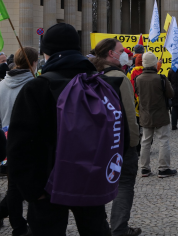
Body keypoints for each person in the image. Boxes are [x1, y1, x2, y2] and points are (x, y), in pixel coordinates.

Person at [8, 23, 121, 235]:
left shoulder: (38, 87)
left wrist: (32, 191)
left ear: (46, 53)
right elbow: (117, 133)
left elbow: (18, 145)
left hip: (48, 185)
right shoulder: (103, 85)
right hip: (92, 179)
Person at [89, 39, 142, 236]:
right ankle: (119, 229)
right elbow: (130, 115)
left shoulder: (90, 75)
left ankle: (101, 227)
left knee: (98, 186)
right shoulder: (120, 78)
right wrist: (134, 143)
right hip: (120, 143)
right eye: (121, 51)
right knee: (125, 184)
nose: (125, 54)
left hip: (97, 142)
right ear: (111, 54)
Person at [0, 46, 37, 236]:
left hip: (7, 141)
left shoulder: (1, 85)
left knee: (14, 187)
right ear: (33, 63)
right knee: (31, 186)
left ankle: (18, 226)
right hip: (30, 142)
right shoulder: (34, 84)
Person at [135, 51, 177, 179]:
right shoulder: (161, 78)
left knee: (145, 142)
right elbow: (171, 94)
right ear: (154, 64)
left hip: (145, 114)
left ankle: (144, 168)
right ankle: (163, 169)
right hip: (160, 114)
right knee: (163, 140)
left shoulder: (138, 79)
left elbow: (137, 94)